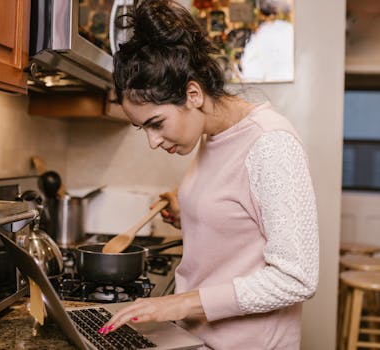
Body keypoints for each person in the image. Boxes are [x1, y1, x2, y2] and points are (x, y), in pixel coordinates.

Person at [99, 1, 319, 349]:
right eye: (143, 129)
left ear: (193, 94)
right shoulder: (214, 135)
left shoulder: (270, 144)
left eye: (156, 124)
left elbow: (297, 278)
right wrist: (188, 213)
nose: (153, 142)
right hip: (196, 339)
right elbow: (240, 226)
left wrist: (180, 302)